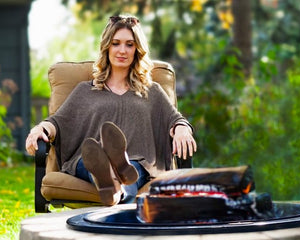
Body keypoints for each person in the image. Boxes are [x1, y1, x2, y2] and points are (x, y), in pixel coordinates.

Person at [25, 15, 196, 206]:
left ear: (137, 50)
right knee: (91, 161)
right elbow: (58, 122)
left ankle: (116, 184)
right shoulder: (85, 90)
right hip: (88, 159)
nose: (122, 50)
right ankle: (114, 181)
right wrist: (40, 129)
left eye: (129, 44)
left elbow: (175, 119)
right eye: (116, 43)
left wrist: (182, 128)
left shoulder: (152, 91)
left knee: (132, 170)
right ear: (107, 47)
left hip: (137, 161)